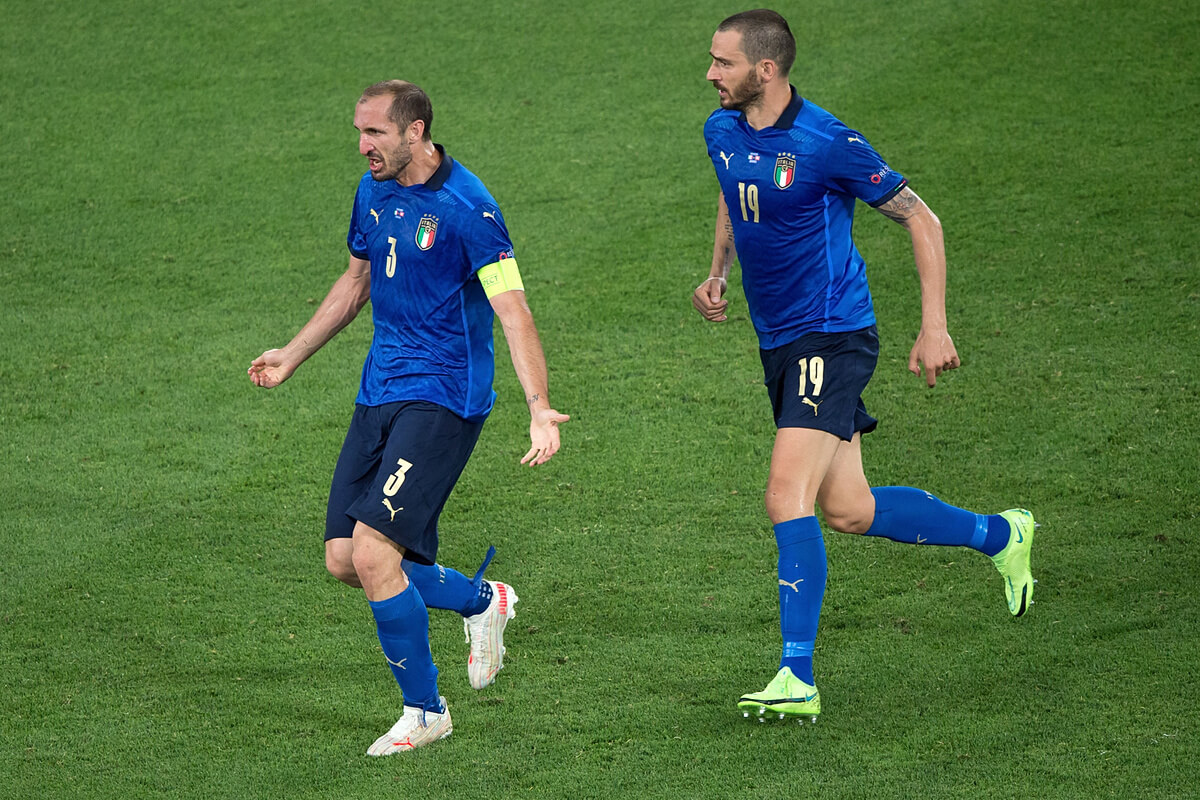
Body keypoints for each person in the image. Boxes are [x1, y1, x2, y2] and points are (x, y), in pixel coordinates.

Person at [694, 10, 1036, 724]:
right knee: (850, 510)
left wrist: (934, 325)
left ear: (765, 70)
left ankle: (798, 675)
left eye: (723, 63)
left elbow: (921, 218)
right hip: (778, 340)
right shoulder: (720, 130)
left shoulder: (828, 142)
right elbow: (735, 196)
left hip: (833, 335)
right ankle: (1003, 534)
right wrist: (718, 270)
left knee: (785, 494)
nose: (710, 74)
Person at [249, 80, 568, 754]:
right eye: (359, 133)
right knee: (344, 559)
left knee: (372, 552)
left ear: (415, 131)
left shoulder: (468, 209)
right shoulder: (374, 188)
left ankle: (426, 711)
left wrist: (539, 409)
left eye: (375, 134)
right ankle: (483, 601)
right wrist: (292, 354)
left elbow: (514, 311)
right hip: (381, 389)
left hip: (446, 397)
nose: (363, 147)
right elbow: (356, 280)